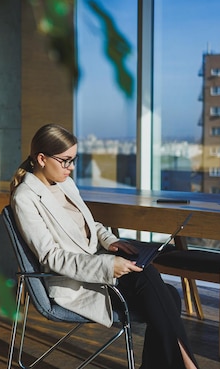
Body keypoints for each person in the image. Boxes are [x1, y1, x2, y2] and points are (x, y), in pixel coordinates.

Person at [10, 123, 200, 369]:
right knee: (156, 284)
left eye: (74, 160)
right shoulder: (25, 198)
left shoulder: (64, 183)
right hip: (76, 282)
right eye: (65, 160)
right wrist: (107, 265)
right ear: (42, 158)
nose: (71, 167)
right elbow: (52, 258)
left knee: (167, 293)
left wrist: (112, 242)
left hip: (96, 266)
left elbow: (89, 224)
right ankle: (188, 365)